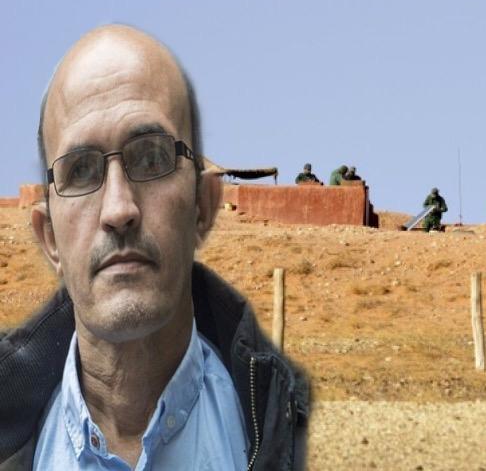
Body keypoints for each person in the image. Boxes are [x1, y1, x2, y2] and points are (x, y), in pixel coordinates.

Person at [0, 25, 309, 470]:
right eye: (81, 170)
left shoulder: (288, 431)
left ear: (202, 206)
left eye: (151, 158)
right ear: (49, 238)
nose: (118, 210)